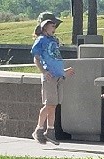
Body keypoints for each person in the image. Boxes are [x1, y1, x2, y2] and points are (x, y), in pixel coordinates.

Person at [31, 16, 75, 145]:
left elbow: (55, 59)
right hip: (49, 77)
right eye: (52, 26)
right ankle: (44, 130)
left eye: (54, 26)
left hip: (58, 76)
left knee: (53, 105)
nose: (54, 28)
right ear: (45, 29)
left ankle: (45, 130)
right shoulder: (41, 40)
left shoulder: (54, 41)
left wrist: (64, 71)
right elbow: (36, 59)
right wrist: (44, 72)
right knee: (50, 104)